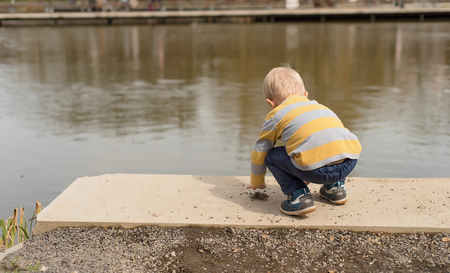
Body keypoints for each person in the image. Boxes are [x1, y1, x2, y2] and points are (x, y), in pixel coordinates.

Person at [247, 66, 362, 216]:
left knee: (271, 156)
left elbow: (261, 149)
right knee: (333, 142)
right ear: (305, 95)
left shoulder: (276, 114)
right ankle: (336, 188)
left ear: (271, 104)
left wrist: (257, 181)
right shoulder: (321, 107)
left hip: (316, 170)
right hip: (349, 162)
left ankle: (298, 197)